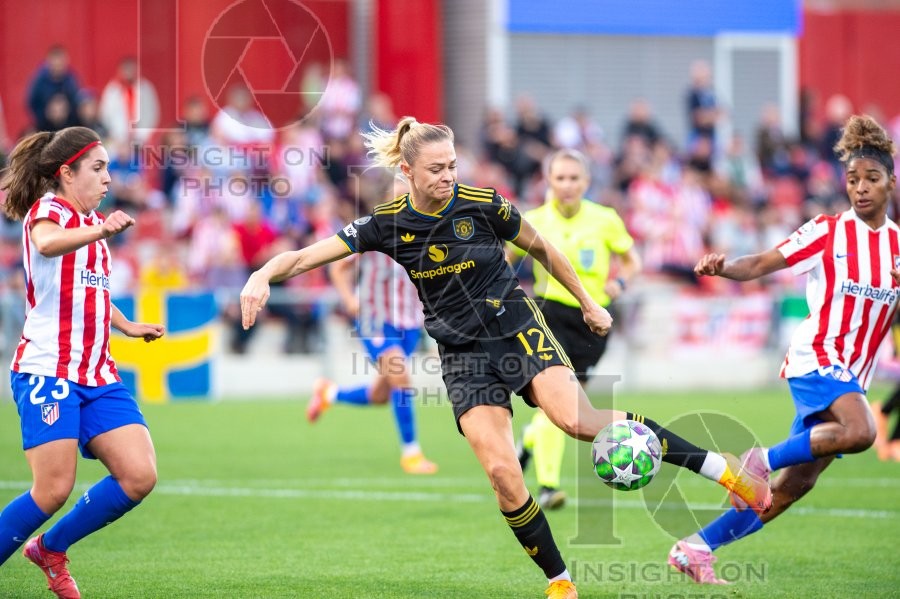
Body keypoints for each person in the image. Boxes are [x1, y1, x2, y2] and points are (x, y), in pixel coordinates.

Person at [239, 117, 771, 599]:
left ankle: (725, 471)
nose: (448, 176)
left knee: (578, 421)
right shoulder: (386, 223)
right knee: (501, 472)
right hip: (462, 355)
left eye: (452, 165)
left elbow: (542, 249)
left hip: (514, 327)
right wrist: (262, 275)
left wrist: (588, 303)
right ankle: (561, 582)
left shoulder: (483, 202)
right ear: (406, 170)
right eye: (436, 169)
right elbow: (309, 254)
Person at [667, 114, 899, 584]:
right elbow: (762, 261)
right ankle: (758, 459)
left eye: (872, 179)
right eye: (853, 180)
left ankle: (695, 548)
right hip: (817, 357)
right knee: (862, 431)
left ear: (890, 182)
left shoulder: (897, 247)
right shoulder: (827, 231)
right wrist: (723, 267)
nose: (861, 188)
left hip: (853, 374)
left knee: (794, 488)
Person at [0, 126, 165, 599]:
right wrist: (101, 227)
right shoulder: (50, 212)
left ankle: (50, 549)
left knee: (139, 475)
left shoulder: (93, 233)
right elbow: (50, 244)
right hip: (48, 370)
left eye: (108, 168)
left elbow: (87, 293)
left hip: (97, 373)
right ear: (66, 174)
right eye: (98, 168)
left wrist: (127, 325)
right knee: (52, 490)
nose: (108, 179)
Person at [512, 148, 641, 510]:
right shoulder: (533, 220)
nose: (567, 185)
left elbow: (632, 260)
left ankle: (530, 440)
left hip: (592, 320)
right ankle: (549, 486)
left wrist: (622, 284)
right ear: (548, 182)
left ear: (586, 182)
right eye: (560, 178)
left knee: (564, 407)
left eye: (574, 178)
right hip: (548, 316)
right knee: (562, 402)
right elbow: (504, 259)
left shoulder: (605, 219)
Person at [309, 179, 438, 474]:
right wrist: (348, 297)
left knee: (383, 393)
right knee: (401, 377)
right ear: (389, 198)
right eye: (399, 195)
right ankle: (412, 453)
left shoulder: (428, 234)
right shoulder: (374, 230)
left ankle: (328, 394)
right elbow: (337, 266)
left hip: (410, 322)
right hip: (374, 317)